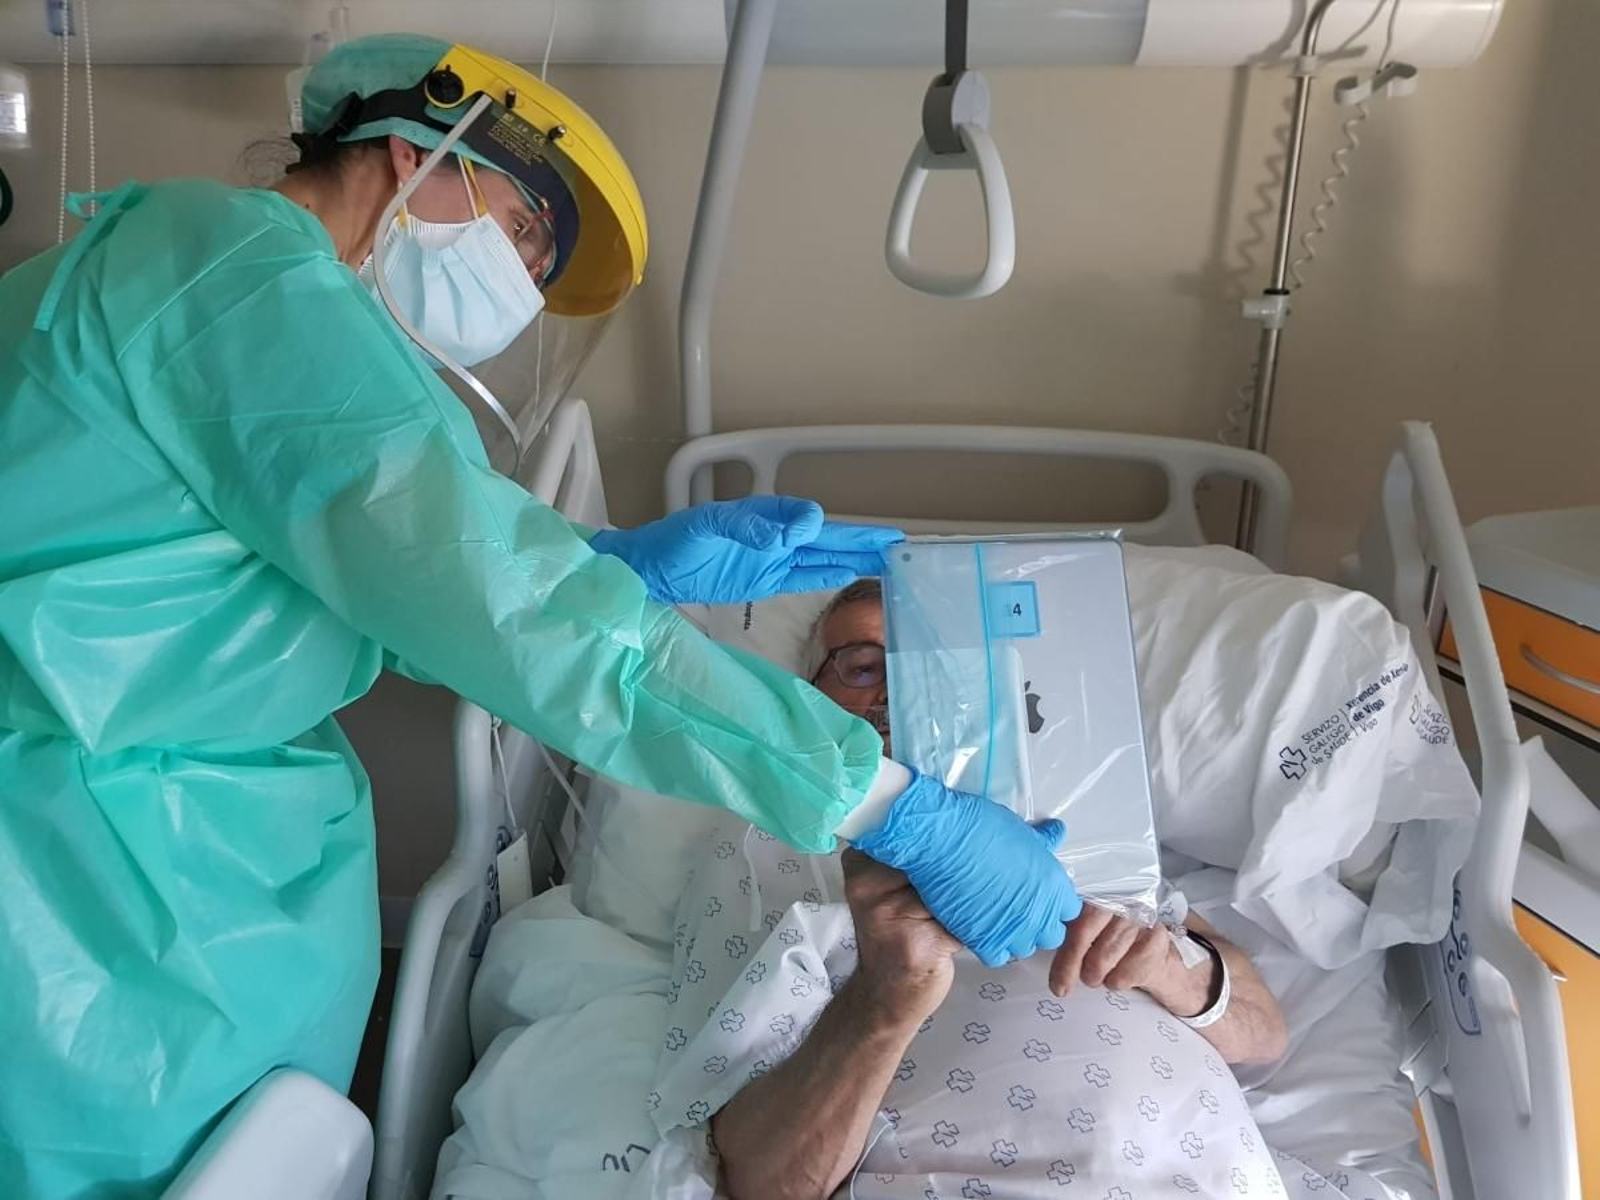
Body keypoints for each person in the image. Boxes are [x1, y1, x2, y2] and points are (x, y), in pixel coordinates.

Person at [0, 32, 1078, 1198]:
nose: (518, 280)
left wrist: (607, 565)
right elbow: (488, 593)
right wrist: (889, 805)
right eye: (523, 228)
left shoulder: (284, 314)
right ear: (418, 144)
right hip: (70, 853)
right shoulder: (235, 276)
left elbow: (402, 576)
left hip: (175, 812)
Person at [649, 582, 1293, 1199]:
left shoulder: (1076, 811)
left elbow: (1263, 1037)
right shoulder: (765, 844)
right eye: (862, 667)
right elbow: (763, 1180)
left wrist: (1168, 970)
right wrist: (885, 995)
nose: (897, 689)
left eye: (928, 665)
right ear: (811, 697)